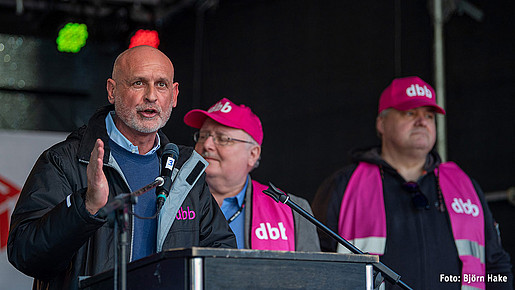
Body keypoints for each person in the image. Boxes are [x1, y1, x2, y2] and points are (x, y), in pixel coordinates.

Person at [7, 46, 236, 290]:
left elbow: (222, 256)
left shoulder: (185, 169)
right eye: (138, 83)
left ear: (175, 94)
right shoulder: (64, 161)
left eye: (161, 84)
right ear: (112, 90)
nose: (151, 96)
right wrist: (85, 207)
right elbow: (25, 254)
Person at [312, 76, 513, 289]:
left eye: (429, 115)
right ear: (381, 123)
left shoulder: (465, 185)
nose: (422, 121)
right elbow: (314, 266)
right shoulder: (344, 185)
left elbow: (496, 266)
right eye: (410, 113)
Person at [184, 98, 320, 251]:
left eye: (223, 139)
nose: (207, 145)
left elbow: (312, 274)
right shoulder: (169, 199)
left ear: (253, 154)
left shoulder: (293, 211)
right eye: (202, 136)